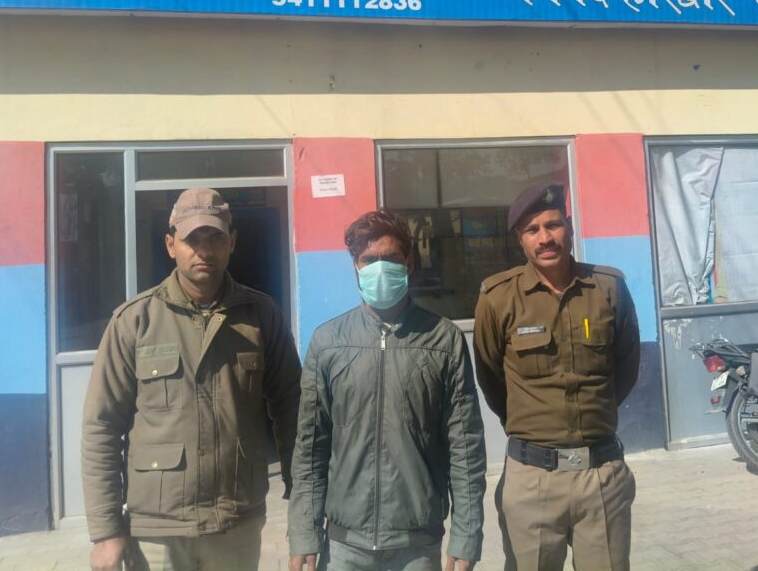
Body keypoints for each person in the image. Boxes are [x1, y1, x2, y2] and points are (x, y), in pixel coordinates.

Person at [82, 188, 302, 571]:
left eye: (215, 237)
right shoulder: (135, 321)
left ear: (232, 242)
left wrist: (303, 511)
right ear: (171, 245)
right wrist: (106, 531)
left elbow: (294, 415)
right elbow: (101, 426)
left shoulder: (261, 316)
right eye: (192, 239)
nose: (204, 250)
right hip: (157, 531)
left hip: (236, 524)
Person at [288, 210, 486, 571]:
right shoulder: (328, 343)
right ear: (355, 265)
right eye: (369, 260)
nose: (380, 269)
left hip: (417, 545)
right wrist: (304, 531)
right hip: (344, 545)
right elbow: (310, 446)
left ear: (408, 263)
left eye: (391, 258)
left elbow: (466, 447)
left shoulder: (443, 341)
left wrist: (466, 534)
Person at [473, 182, 640, 571]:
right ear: (520, 239)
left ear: (569, 227)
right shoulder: (498, 298)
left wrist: (594, 414)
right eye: (532, 230)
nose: (545, 238)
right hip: (532, 480)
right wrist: (533, 422)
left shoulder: (608, 288)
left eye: (553, 225)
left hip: (601, 476)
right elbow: (490, 378)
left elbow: (626, 369)